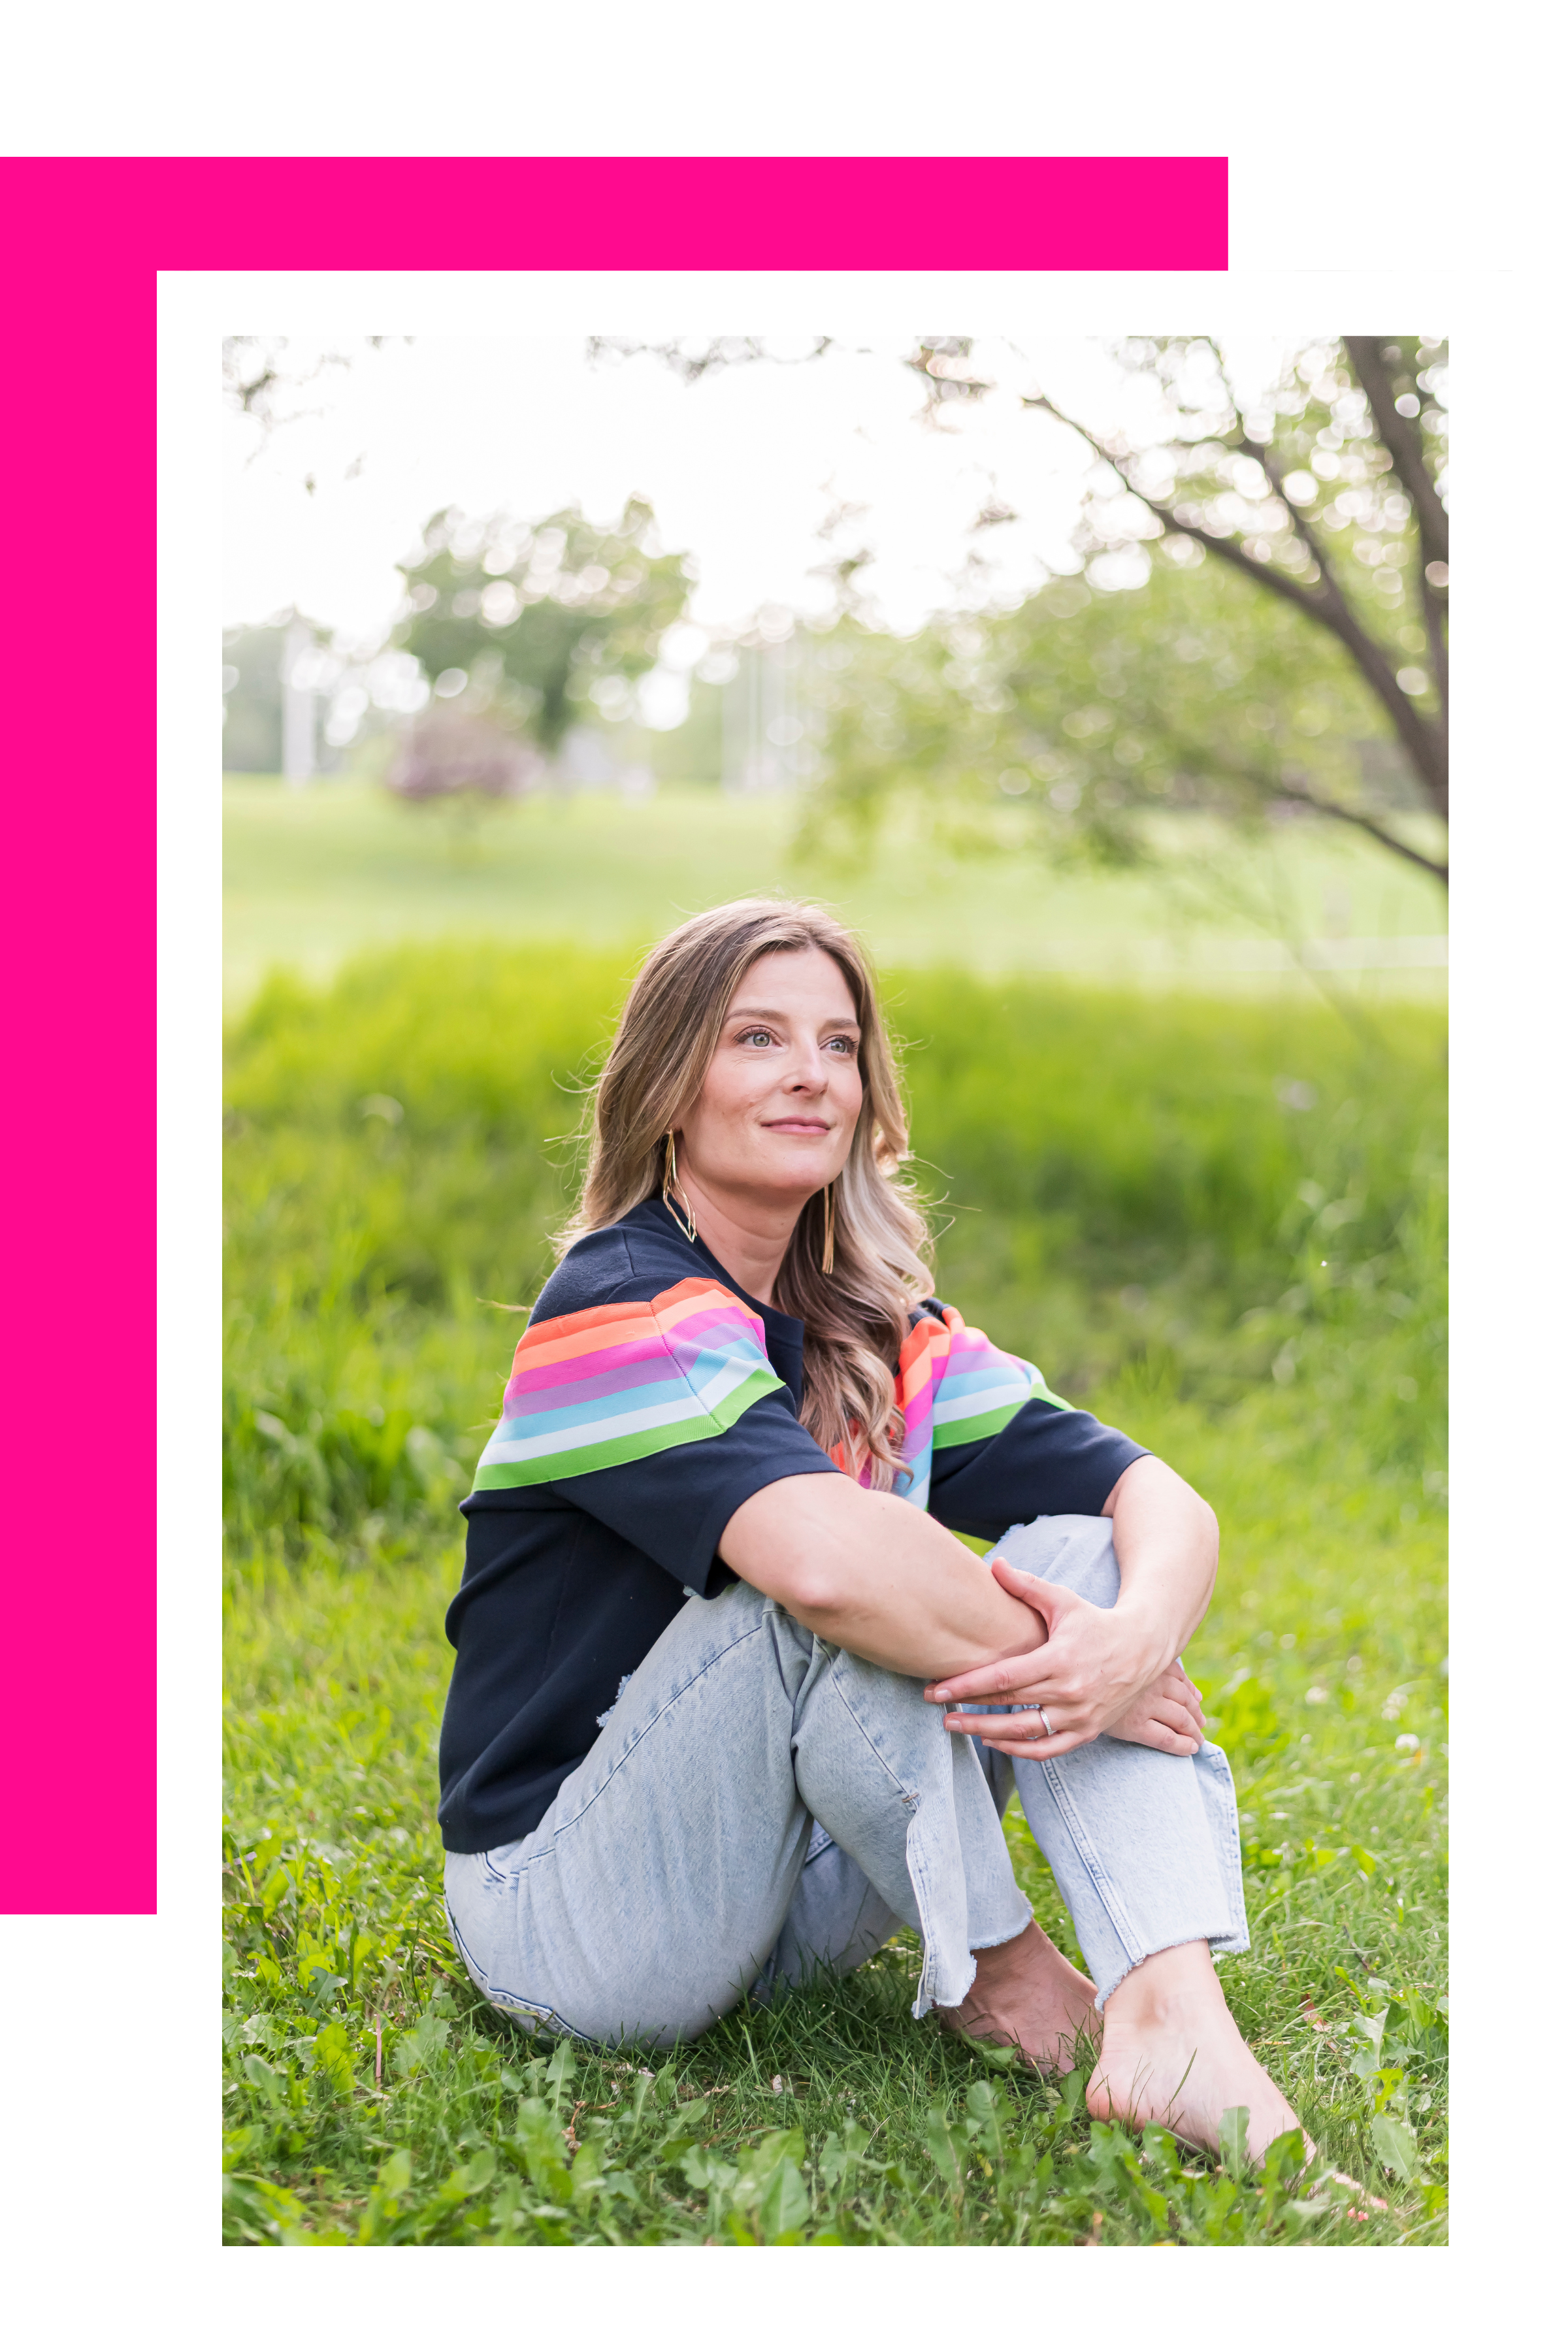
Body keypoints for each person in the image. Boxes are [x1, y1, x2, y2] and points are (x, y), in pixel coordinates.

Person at [438, 900, 1303, 2160]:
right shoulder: (620, 1305)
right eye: (757, 1038)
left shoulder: (873, 1327)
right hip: (577, 1920)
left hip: (787, 1904)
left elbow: (1155, 1497)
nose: (810, 1074)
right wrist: (1075, 1670)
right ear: (669, 1085)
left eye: (838, 1045)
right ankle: (1012, 1984)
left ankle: (1175, 2016)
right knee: (825, 1590)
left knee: (1082, 1550)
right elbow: (825, 1569)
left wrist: (1129, 1646)